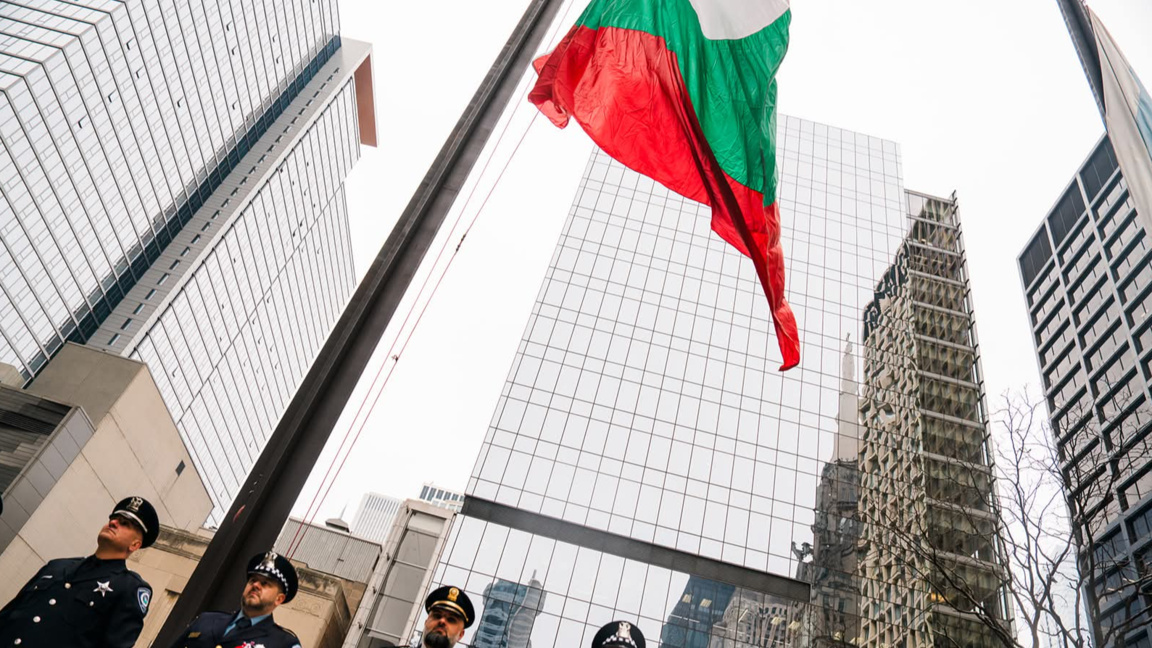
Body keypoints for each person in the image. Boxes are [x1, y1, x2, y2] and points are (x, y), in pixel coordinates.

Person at [0, 496, 159, 648]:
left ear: (134, 545)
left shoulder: (129, 587)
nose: (113, 523)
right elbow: (10, 612)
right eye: (113, 518)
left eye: (125, 523)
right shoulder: (56, 566)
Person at [168, 550, 302, 648]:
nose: (256, 585)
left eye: (265, 583)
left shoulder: (284, 643)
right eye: (253, 580)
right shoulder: (206, 620)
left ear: (279, 599)